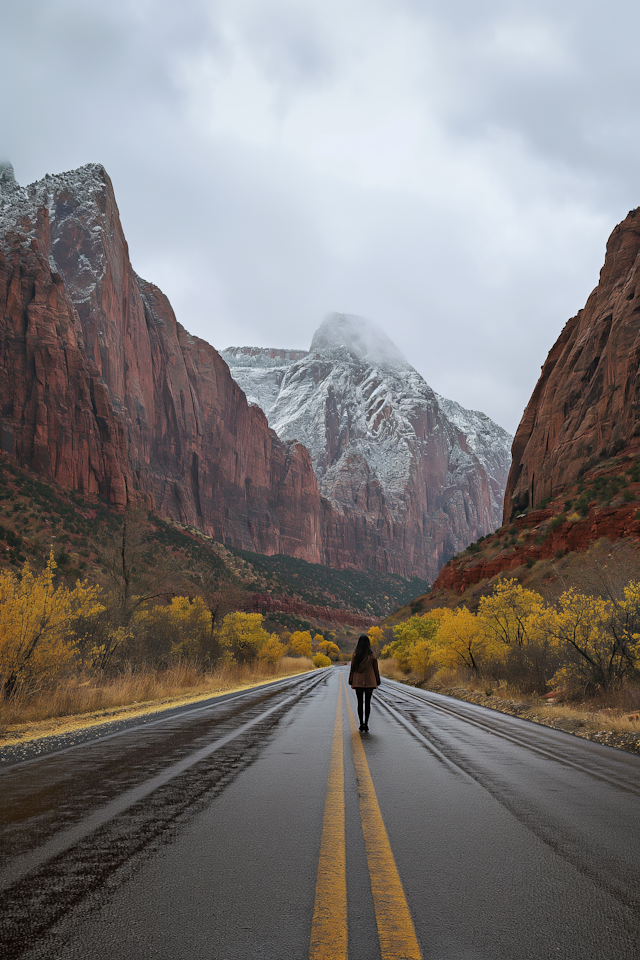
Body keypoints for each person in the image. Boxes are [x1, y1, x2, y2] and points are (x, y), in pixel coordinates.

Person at [348, 634, 381, 732]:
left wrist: (351, 680)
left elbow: (352, 669)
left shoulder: (355, 655)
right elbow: (376, 670)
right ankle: (366, 723)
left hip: (358, 682)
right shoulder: (372, 656)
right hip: (370, 682)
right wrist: (377, 680)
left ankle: (361, 723)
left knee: (359, 703)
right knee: (367, 703)